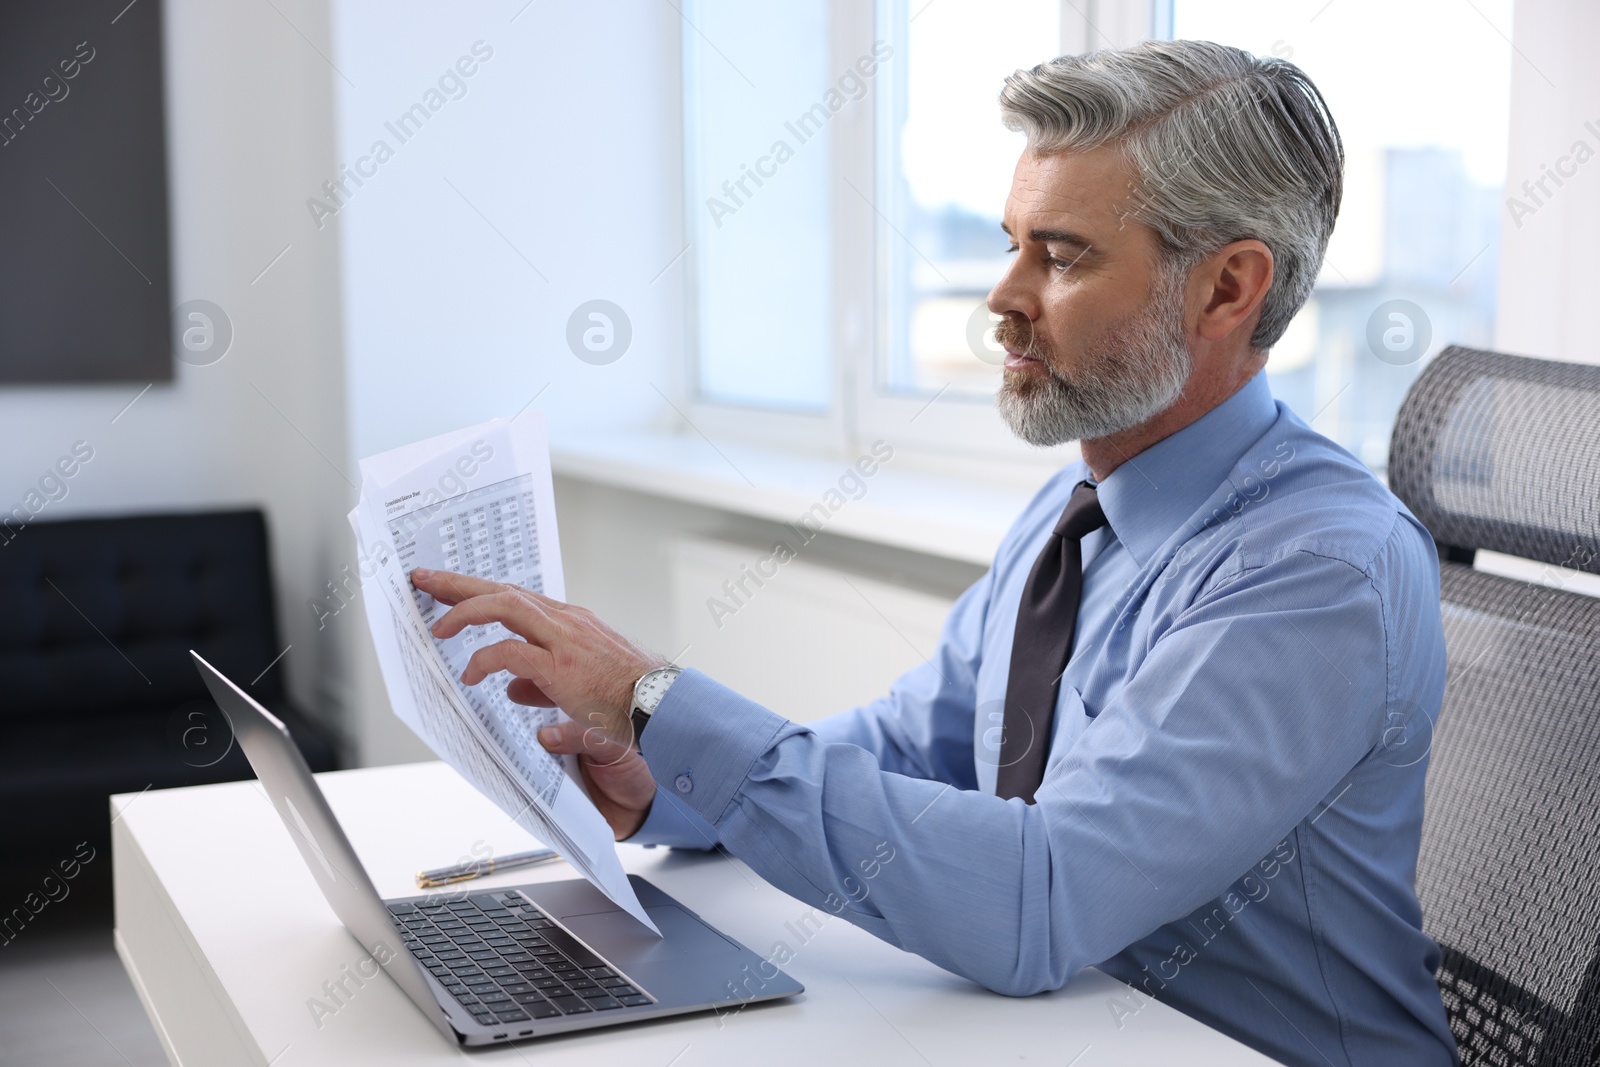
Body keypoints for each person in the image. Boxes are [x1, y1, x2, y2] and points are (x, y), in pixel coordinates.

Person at [410, 40, 1458, 1067]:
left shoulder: (1320, 569)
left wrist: (656, 694)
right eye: (1012, 243)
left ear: (1226, 290)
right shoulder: (1078, 509)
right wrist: (662, 781)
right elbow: (919, 742)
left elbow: (1037, 900)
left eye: (1061, 255)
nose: (1000, 298)